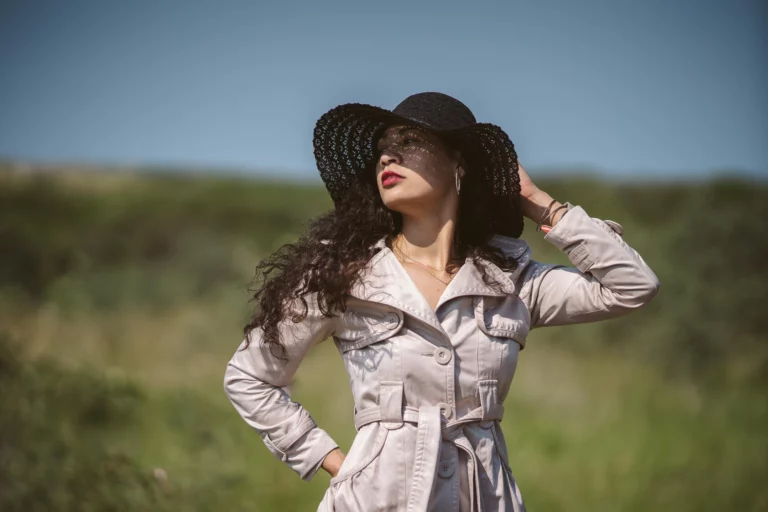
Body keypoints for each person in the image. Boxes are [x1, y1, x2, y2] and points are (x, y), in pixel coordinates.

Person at [224, 92, 660, 512]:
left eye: (409, 142)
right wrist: (340, 466)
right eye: (382, 149)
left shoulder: (512, 280)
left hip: (486, 499)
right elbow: (249, 377)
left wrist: (543, 206)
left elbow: (632, 286)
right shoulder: (345, 274)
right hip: (376, 501)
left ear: (459, 163)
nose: (387, 157)